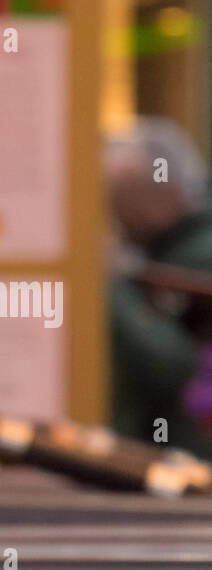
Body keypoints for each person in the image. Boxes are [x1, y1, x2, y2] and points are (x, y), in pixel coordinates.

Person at [105, 117, 212, 458]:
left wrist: (113, 288)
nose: (120, 221)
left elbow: (174, 368)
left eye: (124, 205)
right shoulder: (168, 255)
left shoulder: (196, 258)